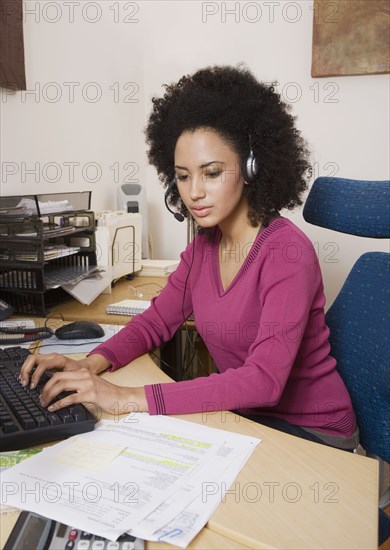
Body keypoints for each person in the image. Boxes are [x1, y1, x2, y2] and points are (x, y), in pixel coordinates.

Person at [20, 65, 358, 449]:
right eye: (183, 176)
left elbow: (264, 381)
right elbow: (155, 324)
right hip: (247, 418)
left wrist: (127, 397)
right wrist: (91, 364)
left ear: (252, 167)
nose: (194, 192)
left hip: (314, 433)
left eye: (211, 173)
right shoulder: (203, 248)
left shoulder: (287, 252)